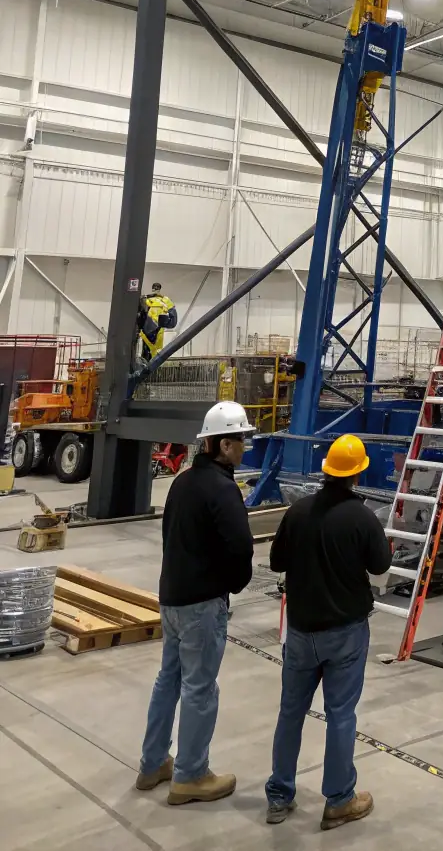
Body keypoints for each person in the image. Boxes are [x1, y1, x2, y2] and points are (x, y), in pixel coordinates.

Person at [264, 433, 392, 830]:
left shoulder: (299, 511)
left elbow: (275, 561)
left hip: (301, 631)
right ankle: (338, 799)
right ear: (357, 475)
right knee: (340, 715)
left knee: (290, 712)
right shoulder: (362, 517)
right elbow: (380, 566)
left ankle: (279, 795)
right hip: (345, 634)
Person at [136, 400, 255, 804]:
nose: (245, 447)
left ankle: (153, 763)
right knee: (200, 688)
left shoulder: (182, 482)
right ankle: (190, 775)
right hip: (202, 606)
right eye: (241, 440)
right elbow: (240, 547)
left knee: (168, 681)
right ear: (223, 446)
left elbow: (171, 536)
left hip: (171, 599)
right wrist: (236, 584)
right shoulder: (223, 490)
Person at [138, 283, 177, 361]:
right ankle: (152, 369)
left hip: (145, 332)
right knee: (156, 353)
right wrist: (168, 324)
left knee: (146, 352)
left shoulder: (145, 300)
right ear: (159, 289)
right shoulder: (166, 300)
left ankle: (145, 367)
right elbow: (173, 319)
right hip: (158, 331)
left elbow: (138, 315)